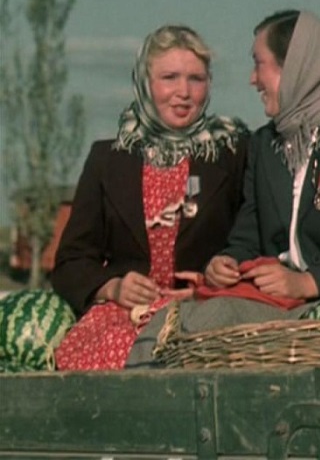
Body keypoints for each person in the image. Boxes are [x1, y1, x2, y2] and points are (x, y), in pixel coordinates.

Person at [124, 10, 320, 367]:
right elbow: (247, 236)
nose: (253, 79)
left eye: (258, 64)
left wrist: (309, 283)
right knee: (165, 326)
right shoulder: (266, 144)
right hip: (272, 302)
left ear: (293, 67)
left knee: (206, 322)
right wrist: (226, 263)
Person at [51, 25, 249, 370]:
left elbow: (255, 238)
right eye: (169, 78)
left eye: (196, 79)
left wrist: (215, 278)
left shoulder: (233, 153)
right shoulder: (108, 160)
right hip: (124, 317)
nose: (183, 92)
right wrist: (113, 288)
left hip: (206, 313)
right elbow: (71, 263)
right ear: (144, 82)